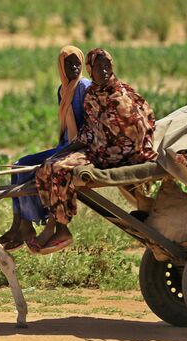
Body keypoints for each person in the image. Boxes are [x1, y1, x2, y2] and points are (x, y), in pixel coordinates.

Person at [34, 48, 157, 253]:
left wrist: (114, 149)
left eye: (107, 65)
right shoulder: (92, 95)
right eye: (99, 67)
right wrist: (66, 151)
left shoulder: (121, 93)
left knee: (62, 170)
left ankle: (60, 226)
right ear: (91, 70)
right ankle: (58, 227)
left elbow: (139, 128)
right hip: (99, 154)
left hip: (123, 155)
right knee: (49, 167)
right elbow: (90, 132)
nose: (104, 71)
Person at [0, 45, 91, 251]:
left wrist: (70, 148)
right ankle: (21, 224)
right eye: (69, 63)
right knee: (19, 165)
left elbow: (90, 124)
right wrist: (62, 146)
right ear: (61, 66)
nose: (74, 67)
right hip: (66, 144)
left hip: (80, 147)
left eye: (77, 63)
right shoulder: (63, 89)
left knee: (42, 169)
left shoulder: (84, 86)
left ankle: (47, 225)